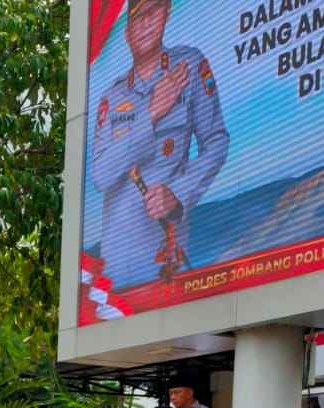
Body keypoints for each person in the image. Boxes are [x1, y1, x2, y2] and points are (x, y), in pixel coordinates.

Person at [89, 0, 228, 293]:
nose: (145, 23)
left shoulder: (188, 67)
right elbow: (101, 175)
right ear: (126, 30)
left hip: (164, 258)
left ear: (167, 12)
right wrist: (150, 114)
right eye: (136, 17)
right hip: (115, 265)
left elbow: (216, 141)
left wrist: (178, 192)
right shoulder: (111, 97)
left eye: (153, 11)